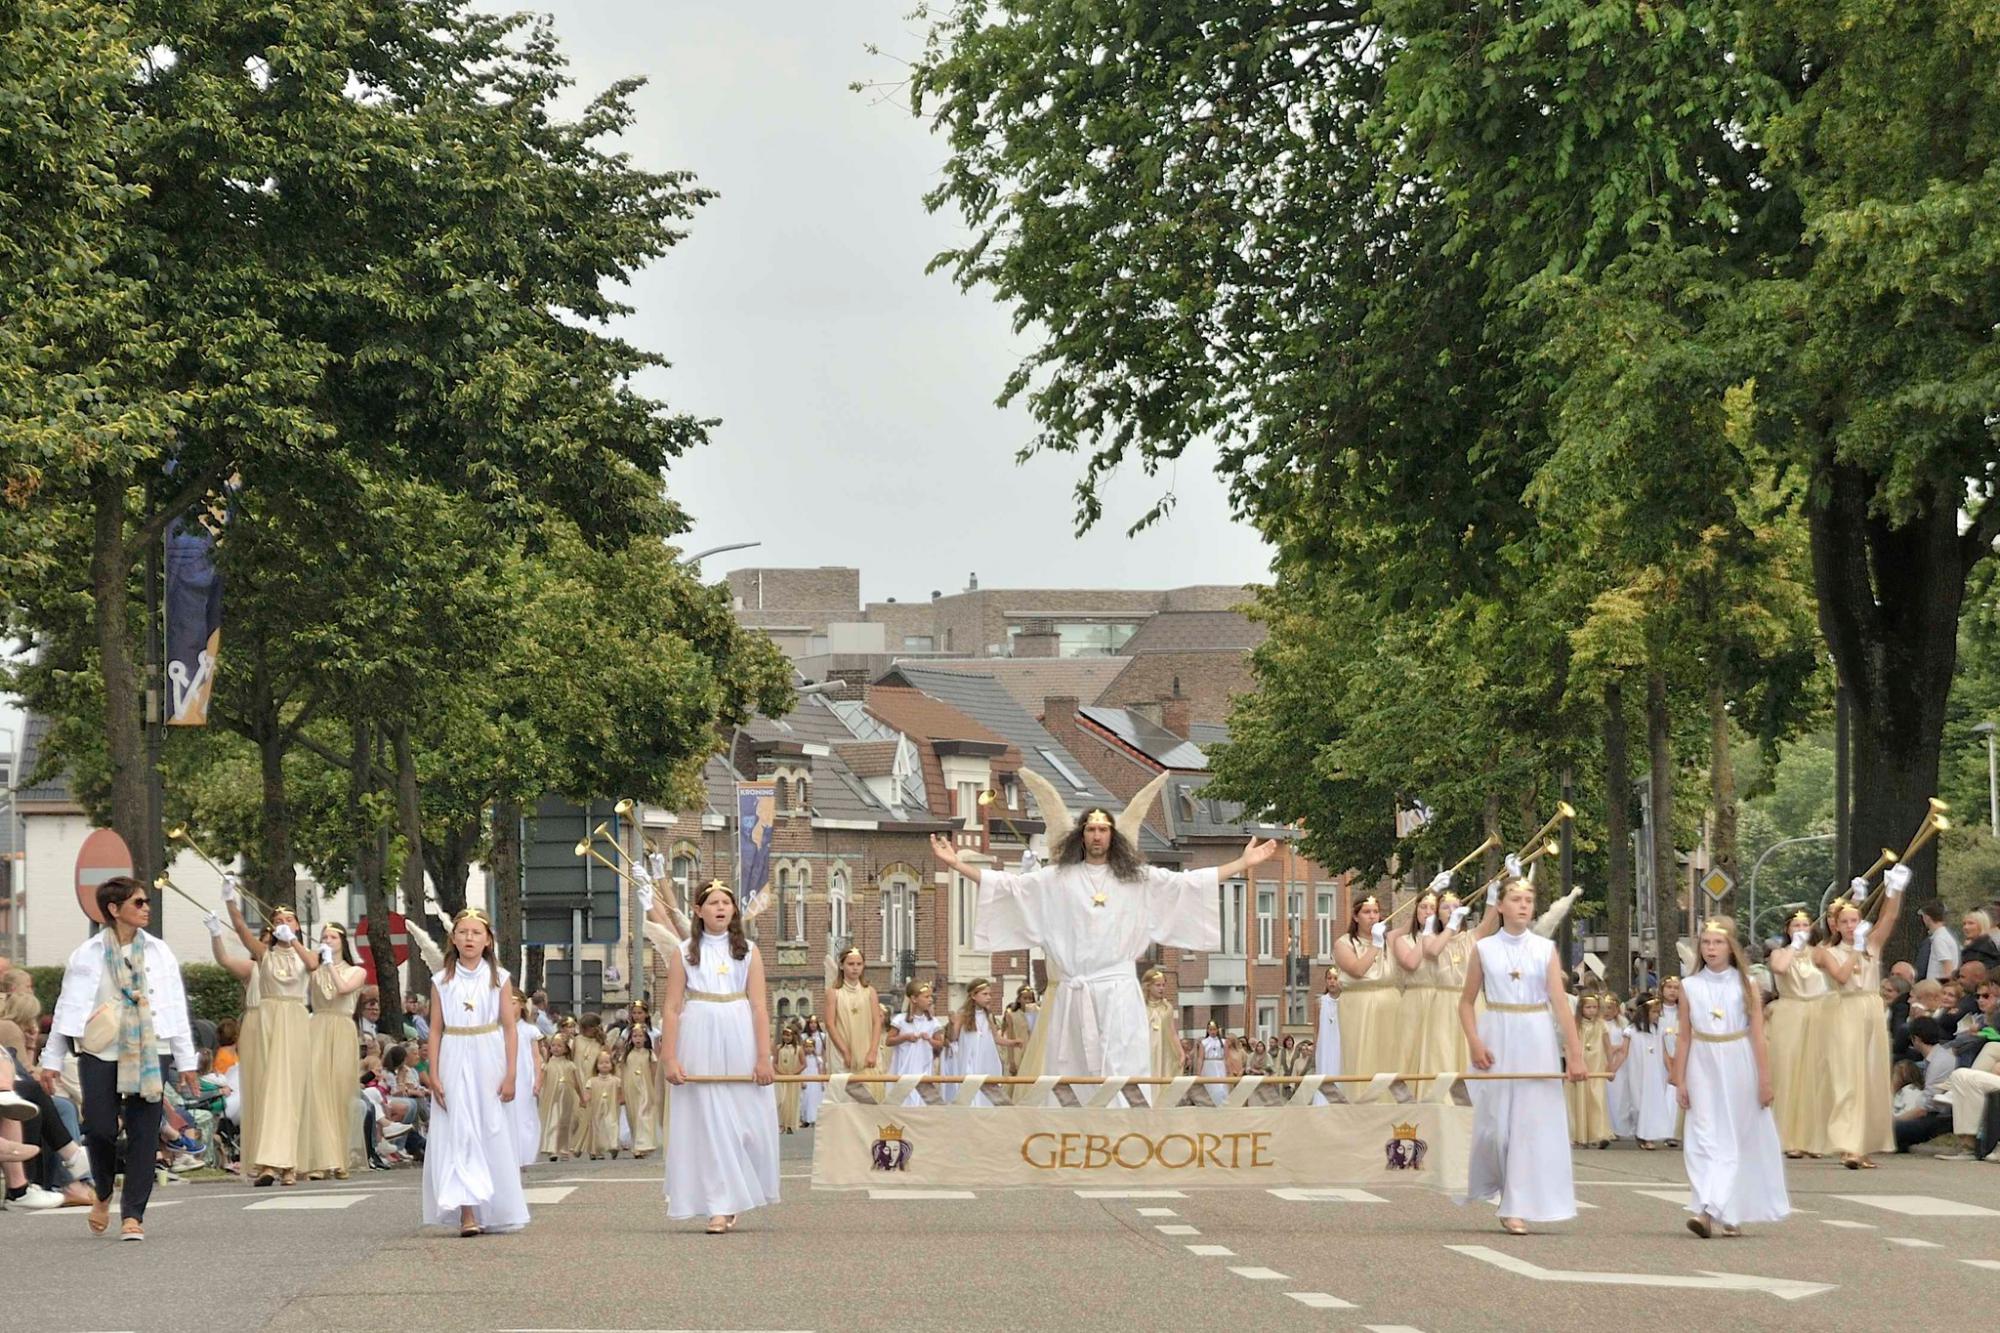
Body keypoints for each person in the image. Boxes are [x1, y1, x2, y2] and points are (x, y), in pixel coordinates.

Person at [935, 789, 1275, 1087]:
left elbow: (1186, 883)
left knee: (1122, 1067)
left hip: (1118, 994)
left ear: (1113, 836)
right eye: (1091, 829)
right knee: (1069, 1071)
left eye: (1103, 830)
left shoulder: (1137, 880)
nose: (1097, 836)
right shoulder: (1058, 879)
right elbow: (1010, 887)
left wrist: (1241, 863)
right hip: (1074, 994)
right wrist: (956, 864)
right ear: (1081, 836)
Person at [39, 876, 200, 1240]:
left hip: (150, 1049)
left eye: (146, 902)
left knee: (145, 1133)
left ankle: (133, 1216)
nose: (146, 908)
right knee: (100, 1129)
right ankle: (103, 1192)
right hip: (100, 1049)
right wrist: (52, 1059)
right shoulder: (88, 953)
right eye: (138, 903)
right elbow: (68, 1007)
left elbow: (175, 1007)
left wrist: (186, 1061)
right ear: (114, 909)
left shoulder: (159, 952)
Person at [1457, 877, 1588, 1236]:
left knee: (1529, 1124)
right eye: (1515, 899)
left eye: (1529, 899)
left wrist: (1574, 1054)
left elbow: (1560, 1004)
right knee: (1496, 1128)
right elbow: (1466, 1003)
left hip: (1535, 1037)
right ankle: (1499, 1187)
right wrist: (1474, 1042)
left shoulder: (1544, 950)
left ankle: (1515, 1203)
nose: (1524, 905)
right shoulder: (1484, 949)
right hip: (1496, 1036)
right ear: (1500, 906)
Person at [660, 880, 779, 1234]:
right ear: (698, 911)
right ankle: (720, 1204)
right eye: (713, 903)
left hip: (739, 1033)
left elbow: (759, 1006)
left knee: (744, 1120)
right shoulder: (683, 953)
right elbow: (671, 1007)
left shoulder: (749, 951)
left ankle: (737, 1192)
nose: (721, 908)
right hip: (699, 1035)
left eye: (726, 903)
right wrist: (670, 1057)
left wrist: (763, 1057)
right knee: (709, 1120)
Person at [1671, 917, 1788, 1239]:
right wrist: (1679, 1078)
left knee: (1734, 1137)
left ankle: (1719, 1210)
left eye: (1717, 943)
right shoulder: (1690, 986)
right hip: (1703, 1062)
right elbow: (1683, 1035)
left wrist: (1764, 1080)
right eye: (1706, 943)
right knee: (1704, 1136)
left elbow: (1757, 1035)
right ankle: (1709, 1208)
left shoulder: (1745, 984)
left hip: (1738, 1060)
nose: (1711, 949)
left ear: (1730, 947)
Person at [420, 907, 528, 1237]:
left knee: (489, 1127)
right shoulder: (442, 981)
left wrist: (511, 1074)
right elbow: (435, 1029)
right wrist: (434, 1072)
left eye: (476, 933)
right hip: (455, 1052)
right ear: (453, 938)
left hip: (487, 1052)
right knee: (460, 1128)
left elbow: (510, 1028)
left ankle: (493, 1205)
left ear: (488, 941)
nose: (469, 938)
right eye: (463, 932)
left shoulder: (500, 979)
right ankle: (467, 1212)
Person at [219, 881, 318, 1187]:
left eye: (288, 920)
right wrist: (230, 900)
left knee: (292, 1092)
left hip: (296, 1017)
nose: (282, 925)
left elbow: (313, 965)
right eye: (277, 922)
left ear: (297, 925)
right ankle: (269, 1164)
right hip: (270, 1019)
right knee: (271, 1091)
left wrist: (296, 941)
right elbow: (240, 929)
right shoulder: (264, 953)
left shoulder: (306, 954)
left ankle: (288, 1164)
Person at [1816, 865, 1907, 1169]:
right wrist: (1855, 949)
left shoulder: (1872, 945)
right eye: (1845, 922)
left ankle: (1862, 1145)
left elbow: (1889, 918)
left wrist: (1894, 890)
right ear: (1836, 926)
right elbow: (1842, 978)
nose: (1852, 926)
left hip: (1871, 1008)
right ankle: (1847, 1145)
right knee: (1848, 1076)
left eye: (1855, 920)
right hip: (1846, 1009)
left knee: (1870, 1076)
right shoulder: (1826, 951)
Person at [301, 924, 366, 1181]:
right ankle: (318, 1158)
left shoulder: (356, 971)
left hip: (341, 1028)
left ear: (343, 942)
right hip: (318, 1026)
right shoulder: (314, 972)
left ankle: (338, 1157)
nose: (328, 940)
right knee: (317, 1093)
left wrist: (328, 965)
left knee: (339, 1095)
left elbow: (342, 989)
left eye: (333, 937)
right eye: (324, 937)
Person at [1766, 909, 1830, 1158]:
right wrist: (1794, 947)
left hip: (1817, 1011)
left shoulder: (1819, 953)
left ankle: (1813, 1138)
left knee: (1815, 1073)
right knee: (1788, 1072)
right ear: (1788, 930)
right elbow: (1780, 969)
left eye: (1805, 925)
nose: (1801, 929)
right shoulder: (1780, 953)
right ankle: (1787, 1137)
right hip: (1789, 1011)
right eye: (1796, 926)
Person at [1335, 894, 1402, 1082]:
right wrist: (1375, 944)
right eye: (1366, 912)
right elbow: (1358, 970)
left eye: (1376, 912)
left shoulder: (1389, 941)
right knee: (1362, 1053)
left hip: (1389, 1001)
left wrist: (1429, 896)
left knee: (1389, 1053)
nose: (1373, 916)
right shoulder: (1344, 943)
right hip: (1359, 1003)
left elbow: (1411, 927)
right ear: (1356, 917)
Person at [1893, 1017, 1956, 1153]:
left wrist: (1894, 1120)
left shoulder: (1939, 1062)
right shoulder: (1937, 1058)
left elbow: (1924, 1109)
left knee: (1888, 1129)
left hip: (1938, 1117)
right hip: (1933, 1113)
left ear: (1916, 1039)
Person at [1566, 993, 1616, 1148]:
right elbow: (1568, 1045)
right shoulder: (1575, 1024)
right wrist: (1570, 1063)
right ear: (1581, 1008)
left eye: (1594, 1007)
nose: (1592, 1010)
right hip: (1581, 1063)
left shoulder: (1601, 1024)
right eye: (1588, 1007)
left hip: (1596, 1064)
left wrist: (1610, 1064)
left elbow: (1608, 1046)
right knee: (1579, 1098)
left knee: (1597, 1097)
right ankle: (1578, 1135)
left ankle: (1599, 1134)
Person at [824, 946, 881, 1080]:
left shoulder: (870, 992)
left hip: (866, 1050)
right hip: (842, 1051)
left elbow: (876, 1022)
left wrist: (873, 1051)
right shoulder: (834, 993)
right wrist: (845, 1051)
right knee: (843, 1091)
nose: (855, 968)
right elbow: (830, 1024)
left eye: (859, 964)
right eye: (850, 964)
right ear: (842, 966)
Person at [886, 981, 946, 1108]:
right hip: (904, 1066)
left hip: (923, 1067)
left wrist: (929, 1040)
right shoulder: (900, 1020)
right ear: (914, 999)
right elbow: (889, 1041)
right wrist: (905, 1037)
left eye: (931, 997)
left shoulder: (932, 1022)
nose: (930, 1000)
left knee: (921, 1099)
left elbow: (940, 1044)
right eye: (926, 997)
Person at [952, 977, 1006, 1108]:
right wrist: (953, 1024)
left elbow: (996, 1038)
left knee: (988, 1086)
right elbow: (954, 1036)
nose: (989, 997)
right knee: (972, 1085)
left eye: (990, 994)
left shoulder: (988, 1015)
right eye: (985, 994)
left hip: (986, 1059)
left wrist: (1013, 1042)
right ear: (973, 996)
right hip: (971, 1058)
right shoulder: (963, 1015)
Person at [537, 1035, 584, 1161]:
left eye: (559, 1046)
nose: (556, 1048)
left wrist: (582, 1098)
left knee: (565, 1122)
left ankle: (564, 1149)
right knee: (553, 1120)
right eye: (553, 1045)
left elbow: (577, 1083)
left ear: (566, 1049)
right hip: (551, 1097)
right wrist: (537, 1088)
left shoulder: (570, 1065)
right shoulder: (546, 1065)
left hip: (567, 1097)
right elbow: (541, 1079)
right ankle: (552, 1148)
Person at [511, 989, 544, 1168]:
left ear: (522, 1005)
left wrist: (538, 1079)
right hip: (507, 1075)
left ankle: (526, 1153)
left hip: (525, 1076)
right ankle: (510, 1153)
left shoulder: (530, 1030)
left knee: (525, 1114)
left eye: (513, 1003)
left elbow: (536, 1057)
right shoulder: (499, 1028)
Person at [620, 1022, 660, 1158]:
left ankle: (645, 1144)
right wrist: (622, 1091)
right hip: (631, 1089)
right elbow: (623, 1072)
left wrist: (655, 1089)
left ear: (645, 1038)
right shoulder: (627, 1055)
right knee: (634, 1117)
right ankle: (637, 1146)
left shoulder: (649, 1054)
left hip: (646, 1089)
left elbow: (654, 1072)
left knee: (644, 1115)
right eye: (635, 1036)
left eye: (640, 1036)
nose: (637, 1039)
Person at [1143, 968, 1185, 1091]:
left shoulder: (1167, 1008)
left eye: (1163, 985)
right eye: (1157, 985)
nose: (1161, 988)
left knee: (1164, 1079)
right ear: (1149, 986)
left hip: (1164, 1050)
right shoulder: (1141, 1006)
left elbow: (1172, 1032)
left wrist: (1181, 1052)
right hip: (1147, 1049)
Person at [579, 1049, 623, 1159]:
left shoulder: (616, 1080)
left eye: (607, 1062)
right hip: (596, 1109)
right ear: (596, 1066)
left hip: (611, 1108)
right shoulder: (592, 1081)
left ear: (612, 1065)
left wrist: (621, 1099)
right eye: (601, 1063)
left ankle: (613, 1146)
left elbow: (620, 1092)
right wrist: (584, 1100)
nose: (604, 1065)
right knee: (597, 1127)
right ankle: (597, 1150)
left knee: (612, 1125)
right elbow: (587, 1093)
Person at [1312, 968, 1343, 1105]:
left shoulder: (1346, 1001)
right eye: (1329, 978)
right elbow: (1317, 1029)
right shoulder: (1320, 1002)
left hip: (1340, 1043)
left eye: (1335, 978)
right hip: (1325, 1045)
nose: (1332, 982)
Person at [1918, 902, 1961, 983]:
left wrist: (1947, 987)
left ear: (1927, 917)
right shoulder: (1943, 936)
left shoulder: (1939, 939)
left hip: (1937, 988)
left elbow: (1948, 965)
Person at [775, 1026, 805, 1133]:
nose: (786, 1038)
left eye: (789, 1035)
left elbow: (803, 1064)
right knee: (782, 1101)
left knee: (791, 1101)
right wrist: (781, 1072)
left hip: (793, 1079)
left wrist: (794, 1073)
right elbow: (774, 1063)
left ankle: (790, 1125)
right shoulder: (779, 1048)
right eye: (784, 1035)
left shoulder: (798, 1049)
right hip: (781, 1079)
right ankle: (781, 1124)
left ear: (793, 1036)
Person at [1197, 1021, 1228, 1105]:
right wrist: (1198, 1073)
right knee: (1210, 1086)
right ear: (1207, 1030)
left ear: (1217, 1030)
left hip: (1220, 1065)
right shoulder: (1204, 1042)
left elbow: (1227, 1057)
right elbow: (1200, 1058)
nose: (1213, 1032)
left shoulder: (1224, 1042)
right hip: (1208, 1065)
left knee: (1221, 1087)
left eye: (1214, 1029)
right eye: (1210, 1029)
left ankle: (1222, 1105)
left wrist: (1229, 1070)